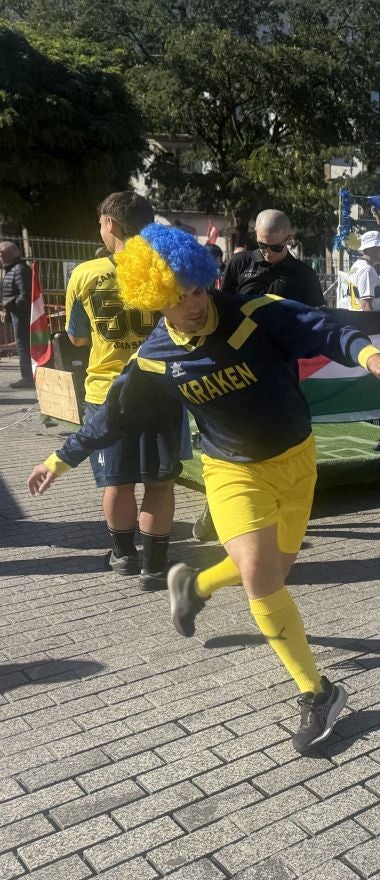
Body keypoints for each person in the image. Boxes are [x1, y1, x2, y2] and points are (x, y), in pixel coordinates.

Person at [27, 224, 380, 753]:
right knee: (261, 579)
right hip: (231, 470)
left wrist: (369, 356)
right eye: (178, 295)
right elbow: (111, 417)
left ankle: (195, 586)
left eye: (198, 288)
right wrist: (59, 458)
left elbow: (324, 329)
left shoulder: (255, 313)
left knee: (274, 571)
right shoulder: (157, 357)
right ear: (154, 298)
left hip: (297, 461)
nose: (193, 303)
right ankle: (316, 691)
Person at [64, 191, 184, 590]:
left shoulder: (84, 274)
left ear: (111, 223)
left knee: (118, 482)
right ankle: (154, 565)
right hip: (164, 387)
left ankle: (123, 556)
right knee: (160, 481)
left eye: (100, 222)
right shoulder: (167, 265)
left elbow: (77, 339)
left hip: (107, 391)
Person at [222, 210, 323, 308]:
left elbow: (317, 318)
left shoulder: (305, 274)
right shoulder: (239, 263)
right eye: (262, 245)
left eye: (276, 247)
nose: (268, 252)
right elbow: (223, 308)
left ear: (288, 239)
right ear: (256, 234)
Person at [0, 240, 33, 388]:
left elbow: (25, 294)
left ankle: (28, 377)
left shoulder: (19, 269)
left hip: (22, 314)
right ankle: (27, 376)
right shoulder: (12, 269)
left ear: (7, 254)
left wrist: (12, 306)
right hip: (17, 313)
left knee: (24, 345)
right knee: (22, 345)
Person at [348, 231, 380, 311]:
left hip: (355, 319)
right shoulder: (367, 270)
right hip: (366, 322)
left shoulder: (355, 266)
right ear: (369, 249)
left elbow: (359, 294)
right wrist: (374, 323)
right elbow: (365, 305)